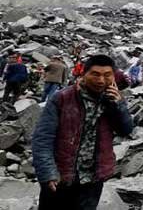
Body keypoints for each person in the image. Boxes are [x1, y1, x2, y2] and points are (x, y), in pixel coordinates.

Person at [32, 54, 133, 210]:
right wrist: (47, 172)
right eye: (95, 74)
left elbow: (125, 130)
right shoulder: (62, 98)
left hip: (93, 179)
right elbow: (43, 138)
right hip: (61, 177)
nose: (101, 81)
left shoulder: (113, 99)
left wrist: (118, 105)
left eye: (107, 75)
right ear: (84, 74)